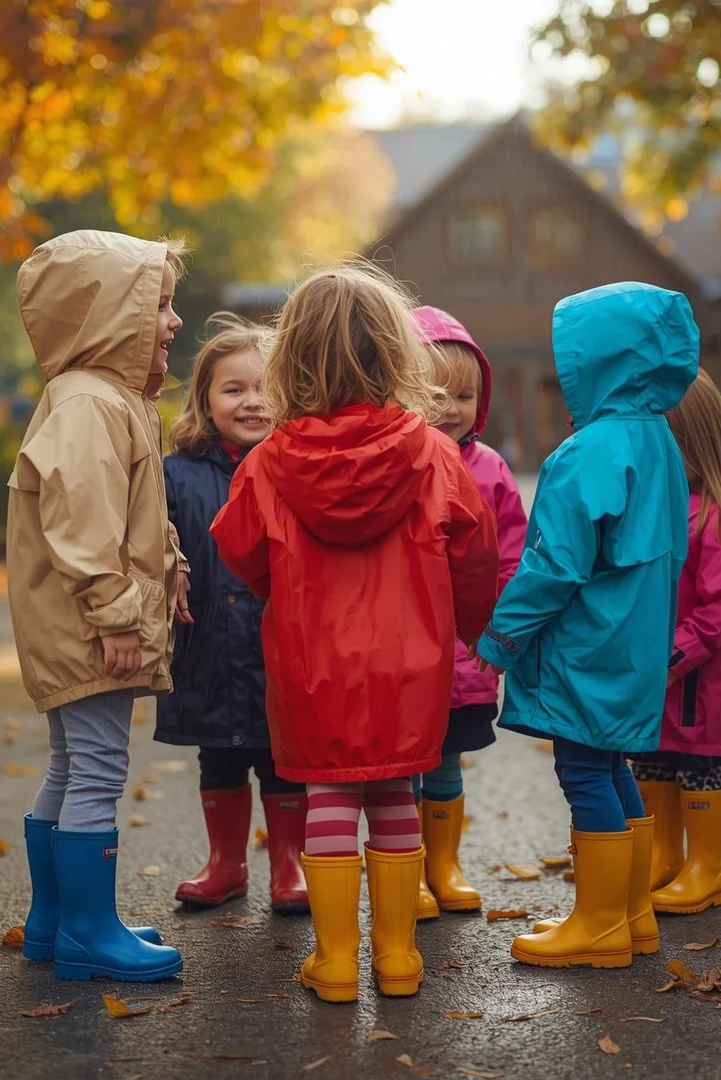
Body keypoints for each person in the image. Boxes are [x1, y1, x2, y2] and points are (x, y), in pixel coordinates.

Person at [211, 262, 499, 1003]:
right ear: (394, 354)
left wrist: (285, 586)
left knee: (330, 797)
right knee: (397, 795)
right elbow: (475, 554)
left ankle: (337, 962)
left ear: (293, 358)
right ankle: (398, 959)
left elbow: (239, 548)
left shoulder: (270, 462)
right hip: (412, 662)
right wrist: (473, 630)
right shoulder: (434, 452)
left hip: (313, 662)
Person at [476, 282, 698, 969]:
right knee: (609, 763)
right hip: (633, 644)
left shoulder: (589, 450)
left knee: (583, 769)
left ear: (597, 360)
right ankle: (629, 917)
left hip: (589, 644)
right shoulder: (656, 438)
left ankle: (601, 924)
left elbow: (555, 566)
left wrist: (500, 638)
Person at [8, 230, 192, 982]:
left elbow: (134, 514)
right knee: (98, 769)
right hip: (90, 624)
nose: (174, 323)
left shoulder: (106, 399)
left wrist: (170, 567)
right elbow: (83, 519)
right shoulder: (90, 403)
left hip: (74, 617)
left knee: (71, 761)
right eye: (161, 305)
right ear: (110, 315)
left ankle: (55, 920)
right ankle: (89, 930)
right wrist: (117, 614)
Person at [155, 314, 308, 914]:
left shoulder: (299, 466)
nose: (251, 402)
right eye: (234, 389)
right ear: (206, 399)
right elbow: (155, 542)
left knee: (282, 754)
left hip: (281, 642)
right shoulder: (177, 474)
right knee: (217, 751)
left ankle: (288, 864)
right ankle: (226, 863)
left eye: (264, 387)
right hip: (209, 643)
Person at [632, 369, 721, 913]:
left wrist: (671, 656)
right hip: (664, 678)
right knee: (655, 763)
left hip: (704, 683)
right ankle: (666, 857)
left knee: (699, 767)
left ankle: (706, 867)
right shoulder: (667, 503)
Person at [410, 306, 527, 919]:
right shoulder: (395, 462)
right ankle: (407, 871)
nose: (450, 407)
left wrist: (498, 635)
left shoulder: (489, 470)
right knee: (401, 763)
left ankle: (443, 863)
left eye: (464, 395)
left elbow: (512, 557)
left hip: (466, 647)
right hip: (404, 647)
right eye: (435, 394)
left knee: (447, 761)